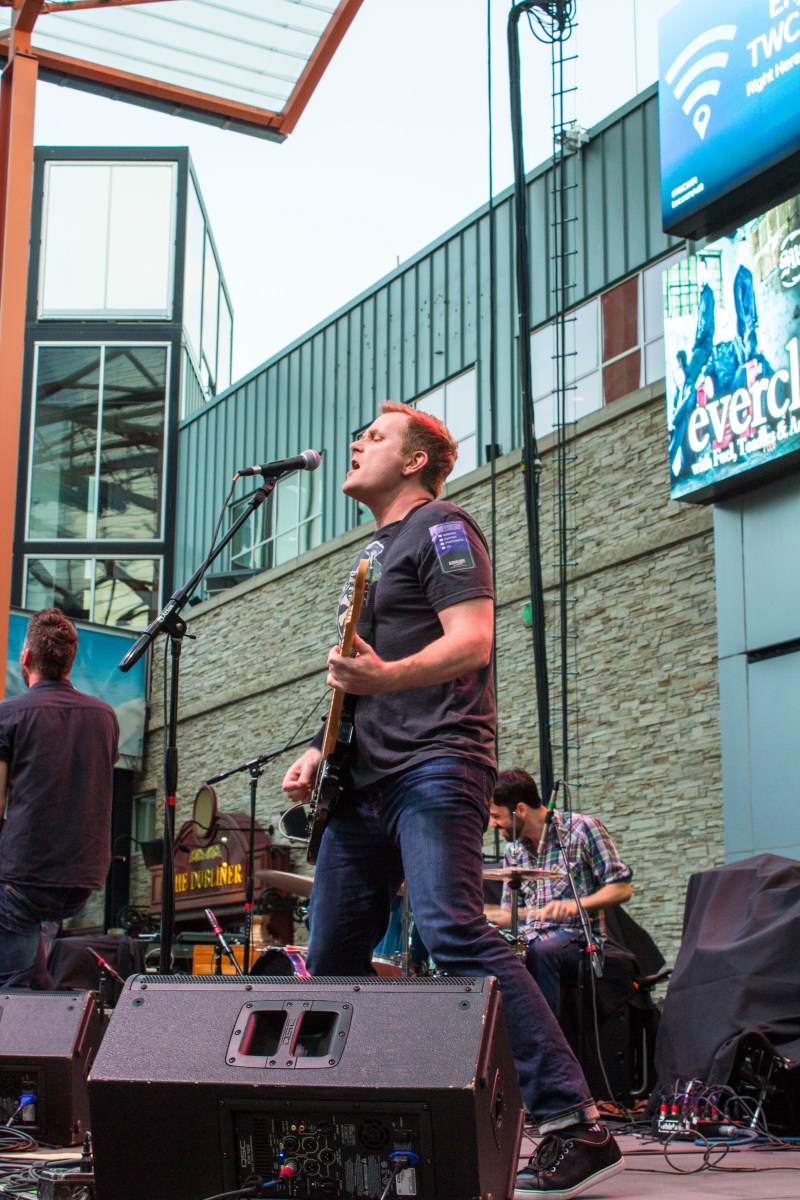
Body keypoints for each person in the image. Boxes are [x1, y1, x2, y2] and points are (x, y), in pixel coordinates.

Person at [282, 402, 624, 1198]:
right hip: (362, 780)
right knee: (330, 956)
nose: (357, 441)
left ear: (415, 461)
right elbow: (364, 681)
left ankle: (576, 1123)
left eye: (376, 436)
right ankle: (358, 1123)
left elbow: (472, 640)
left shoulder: (444, 527)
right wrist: (321, 747)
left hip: (437, 763)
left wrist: (382, 679)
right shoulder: (372, 554)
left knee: (451, 928)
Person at [0, 609, 119, 989]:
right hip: (80, 878)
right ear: (69, 661)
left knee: (10, 987)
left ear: (26, 657)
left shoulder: (8, 714)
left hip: (24, 875)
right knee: (32, 973)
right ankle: (40, 985)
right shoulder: (105, 716)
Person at [485, 769, 633, 1020]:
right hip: (533, 937)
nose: (492, 824)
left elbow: (622, 888)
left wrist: (576, 905)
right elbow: (511, 915)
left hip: (577, 939)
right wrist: (482, 916)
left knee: (542, 952)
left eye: (496, 816)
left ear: (520, 810)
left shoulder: (582, 829)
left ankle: (546, 1038)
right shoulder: (513, 849)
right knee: (493, 950)